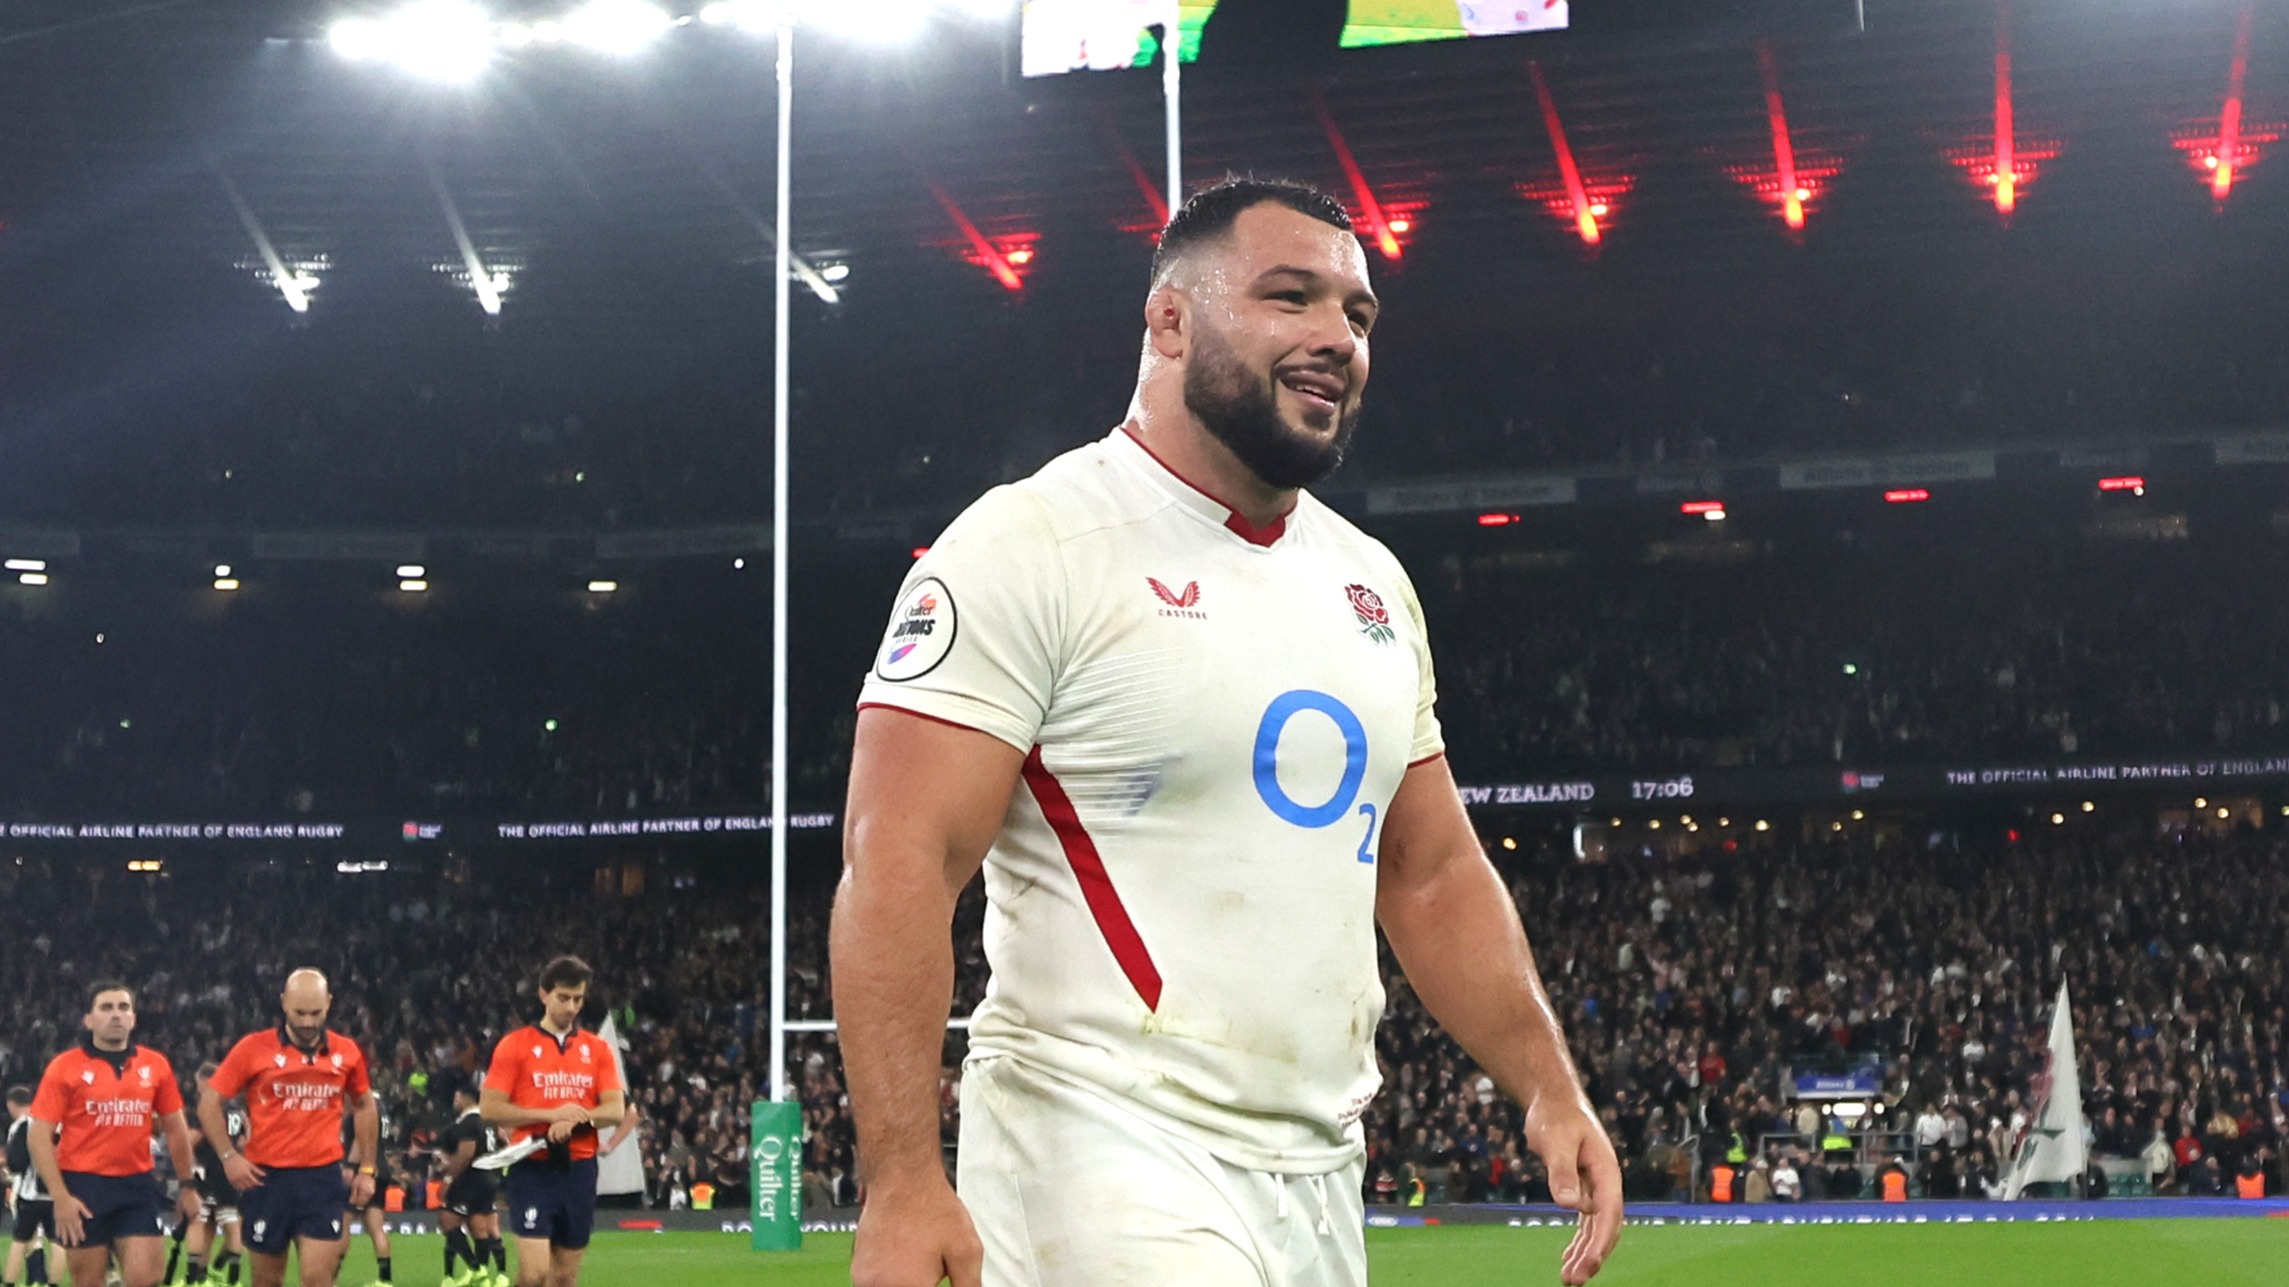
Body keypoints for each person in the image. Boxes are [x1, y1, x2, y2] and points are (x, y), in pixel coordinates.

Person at [835, 176, 1622, 1287]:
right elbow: (900, 860)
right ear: (1169, 319)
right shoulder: (1032, 543)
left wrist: (1549, 1082)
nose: (1334, 337)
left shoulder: (1371, 583)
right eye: (1289, 297)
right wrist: (904, 1179)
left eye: (1356, 315)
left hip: (1317, 1165)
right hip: (1098, 1143)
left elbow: (1432, 869)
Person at [203, 969, 379, 1287]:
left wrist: (367, 1168)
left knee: (317, 1279)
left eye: (316, 1012)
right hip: (266, 1179)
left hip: (321, 1178)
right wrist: (229, 1157)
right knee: (267, 1280)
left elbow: (366, 1106)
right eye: (300, 1013)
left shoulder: (346, 1052)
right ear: (284, 1003)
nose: (309, 1022)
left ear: (329, 1003)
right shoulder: (252, 1048)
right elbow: (208, 1103)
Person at [25, 982, 200, 1287]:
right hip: (83, 1186)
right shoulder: (64, 1067)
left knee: (146, 1279)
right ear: (88, 1019)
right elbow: (39, 1136)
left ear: (133, 1018)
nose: (116, 1015)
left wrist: (187, 1185)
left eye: (123, 1008)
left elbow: (176, 1128)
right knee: (88, 1281)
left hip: (137, 1183)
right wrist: (60, 1197)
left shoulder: (155, 1065)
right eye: (106, 1008)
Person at [480, 956, 625, 1287]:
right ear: (543, 994)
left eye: (578, 999)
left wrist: (575, 1121)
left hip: (579, 1169)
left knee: (564, 1276)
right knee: (533, 1275)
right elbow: (490, 1108)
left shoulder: (597, 1049)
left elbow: (615, 1109)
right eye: (563, 997)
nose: (572, 1007)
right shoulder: (515, 1045)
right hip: (532, 1167)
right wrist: (551, 1117)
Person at [170, 1065, 247, 1286]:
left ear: (206, 1081)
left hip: (208, 1173)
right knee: (229, 1224)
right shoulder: (236, 1110)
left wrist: (183, 1148)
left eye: (198, 1083)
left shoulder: (206, 1109)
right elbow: (245, 1141)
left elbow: (192, 1140)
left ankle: (192, 1279)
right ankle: (226, 1278)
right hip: (231, 1175)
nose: (197, 1087)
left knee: (198, 1221)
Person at [437, 1082, 505, 1287]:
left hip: (471, 1178)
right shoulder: (489, 1121)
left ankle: (476, 1268)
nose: (455, 1100)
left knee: (448, 1219)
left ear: (466, 1097)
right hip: (488, 1177)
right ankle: (484, 1275)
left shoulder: (469, 1122)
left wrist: (448, 1178)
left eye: (457, 1096)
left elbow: (466, 1152)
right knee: (479, 1226)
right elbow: (502, 1144)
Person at [5, 1087, 54, 1287]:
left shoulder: (22, 1126)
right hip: (54, 1191)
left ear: (11, 1104)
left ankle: (12, 1282)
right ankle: (44, 1279)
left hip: (28, 1190)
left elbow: (17, 1162)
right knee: (55, 1240)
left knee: (23, 1238)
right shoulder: (53, 1123)